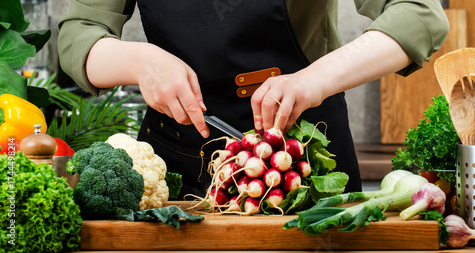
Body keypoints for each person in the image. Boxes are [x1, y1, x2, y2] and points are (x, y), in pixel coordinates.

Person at [57, 0, 449, 197]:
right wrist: (139, 61)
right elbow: (78, 35)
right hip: (175, 166)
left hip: (305, 161)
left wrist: (314, 80)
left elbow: (418, 14)